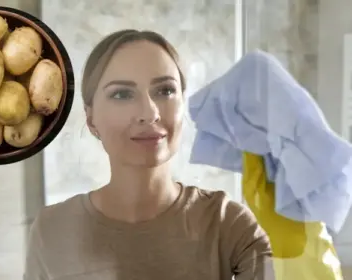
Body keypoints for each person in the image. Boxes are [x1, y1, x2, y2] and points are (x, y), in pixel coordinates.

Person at [23, 29, 273, 280]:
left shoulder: (229, 225)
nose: (149, 112)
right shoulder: (51, 230)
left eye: (165, 91)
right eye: (122, 94)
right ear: (91, 119)